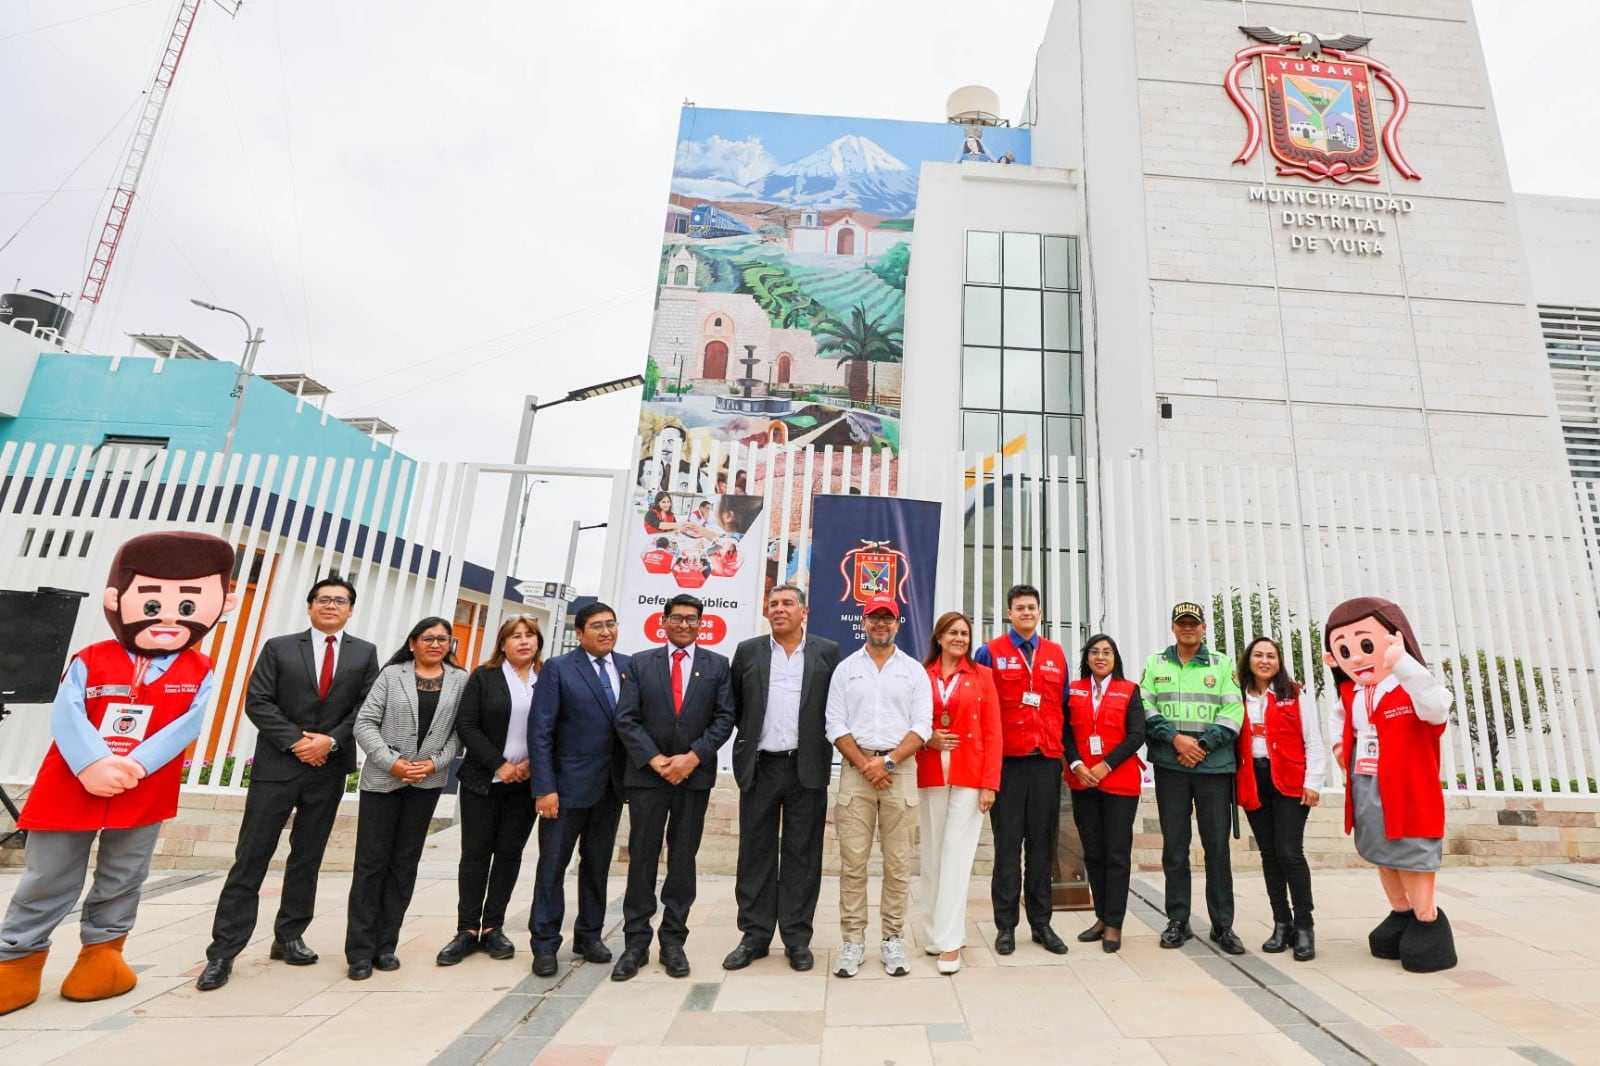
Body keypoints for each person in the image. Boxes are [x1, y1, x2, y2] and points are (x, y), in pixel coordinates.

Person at [0, 532, 236, 1017]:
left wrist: (135, 764)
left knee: (124, 875)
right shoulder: (90, 658)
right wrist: (92, 764)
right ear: (116, 599)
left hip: (143, 786)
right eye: (153, 603)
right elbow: (67, 715)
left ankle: (101, 956)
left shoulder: (200, 667)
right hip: (72, 783)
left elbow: (186, 723)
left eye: (188, 603)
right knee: (49, 875)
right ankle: (15, 959)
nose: (170, 616)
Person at [198, 575, 380, 991]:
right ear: (310, 605)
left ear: (351, 609)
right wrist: (298, 742)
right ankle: (223, 952)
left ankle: (289, 936)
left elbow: (366, 706)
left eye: (340, 600)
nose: (331, 605)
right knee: (252, 857)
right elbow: (258, 700)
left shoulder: (364, 653)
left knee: (307, 857)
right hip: (278, 767)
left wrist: (331, 741)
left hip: (327, 769)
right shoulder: (279, 647)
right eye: (323, 599)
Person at [1324, 597, 1456, 973]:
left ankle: (1427, 919)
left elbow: (1436, 709)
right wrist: (1338, 746)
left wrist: (1404, 664)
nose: (1357, 657)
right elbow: (1339, 718)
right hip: (1367, 783)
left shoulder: (1412, 686)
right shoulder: (1352, 693)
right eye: (1344, 649)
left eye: (1366, 645)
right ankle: (1401, 912)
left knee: (1411, 849)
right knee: (1379, 848)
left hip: (1408, 787)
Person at [610, 594, 736, 981]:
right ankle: (635, 943)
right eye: (677, 618)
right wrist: (656, 760)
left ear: (702, 623)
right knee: (643, 857)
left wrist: (691, 759)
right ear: (663, 622)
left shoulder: (717, 665)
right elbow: (626, 719)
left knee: (683, 859)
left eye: (692, 619)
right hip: (649, 778)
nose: (684, 625)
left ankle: (673, 941)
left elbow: (725, 717)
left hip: (693, 778)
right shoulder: (641, 663)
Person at [723, 584, 842, 973]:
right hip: (761, 766)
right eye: (773, 604)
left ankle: (796, 937)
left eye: (788, 603)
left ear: (803, 611)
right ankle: (754, 936)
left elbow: (835, 708)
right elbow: (737, 707)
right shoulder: (748, 651)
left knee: (802, 855)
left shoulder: (826, 652)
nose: (779, 609)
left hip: (806, 767)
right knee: (755, 852)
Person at [345, 617, 467, 980]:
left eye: (443, 639)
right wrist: (392, 763)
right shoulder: (392, 674)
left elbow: (460, 733)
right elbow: (364, 723)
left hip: (426, 784)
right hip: (383, 782)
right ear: (413, 642)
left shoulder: (461, 681)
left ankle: (386, 946)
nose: (436, 644)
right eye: (428, 638)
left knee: (403, 865)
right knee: (371, 865)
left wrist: (434, 763)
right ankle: (360, 951)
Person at [825, 596, 931, 978]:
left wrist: (886, 763)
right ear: (864, 622)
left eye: (887, 618)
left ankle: (892, 940)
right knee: (853, 864)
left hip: (899, 770)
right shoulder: (846, 670)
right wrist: (866, 765)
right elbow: (834, 724)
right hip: (856, 770)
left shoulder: (914, 671)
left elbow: (923, 726)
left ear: (898, 623)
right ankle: (852, 942)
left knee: (898, 864)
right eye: (874, 618)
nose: (881, 624)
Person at [528, 601, 632, 978]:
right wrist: (544, 788)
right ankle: (544, 943)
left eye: (611, 625)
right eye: (597, 626)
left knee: (597, 865)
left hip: (611, 787)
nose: (606, 632)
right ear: (580, 632)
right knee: (553, 866)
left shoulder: (627, 666)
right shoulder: (558, 669)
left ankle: (589, 935)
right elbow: (540, 732)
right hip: (565, 789)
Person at [436, 615, 544, 966]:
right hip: (486, 780)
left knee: (509, 855)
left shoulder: (548, 678)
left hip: (526, 783)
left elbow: (556, 724)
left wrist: (528, 765)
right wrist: (500, 764)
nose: (523, 641)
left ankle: (493, 927)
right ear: (503, 643)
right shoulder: (484, 676)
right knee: (476, 855)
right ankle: (467, 929)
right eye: (516, 636)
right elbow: (467, 724)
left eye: (530, 635)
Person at [1140, 602, 1247, 955]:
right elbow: (1144, 704)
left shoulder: (1222, 664)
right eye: (1181, 623)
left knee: (1216, 848)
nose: (1188, 628)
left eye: (1194, 623)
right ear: (1173, 627)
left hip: (1212, 766)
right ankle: (1177, 921)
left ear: (1203, 629)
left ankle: (1223, 926)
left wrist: (1201, 744)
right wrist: (1176, 740)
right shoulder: (1157, 662)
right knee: (1175, 847)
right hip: (1171, 766)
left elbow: (1234, 710)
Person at [973, 583, 1071, 956]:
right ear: (1010, 613)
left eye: (1032, 607)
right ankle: (1005, 926)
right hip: (1008, 764)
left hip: (1046, 761)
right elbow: (980, 707)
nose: (1027, 613)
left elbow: (1061, 707)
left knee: (1043, 847)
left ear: (1040, 613)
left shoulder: (1055, 654)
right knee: (1008, 847)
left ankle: (1041, 923)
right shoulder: (990, 653)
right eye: (1020, 608)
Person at [917, 611, 1001, 975]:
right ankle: (936, 932)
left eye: (965, 633)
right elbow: (910, 722)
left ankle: (950, 943)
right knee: (934, 856)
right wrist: (928, 738)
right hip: (930, 772)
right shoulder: (921, 676)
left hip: (970, 774)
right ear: (939, 637)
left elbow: (994, 733)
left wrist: (990, 783)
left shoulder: (982, 676)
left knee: (956, 856)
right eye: (953, 632)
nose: (960, 638)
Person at [1237, 636, 1325, 961]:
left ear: (1279, 661)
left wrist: (1313, 781)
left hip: (1289, 781)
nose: (1264, 661)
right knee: (1269, 854)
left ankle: (1304, 925)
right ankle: (1281, 922)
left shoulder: (1294, 694)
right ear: (1248, 660)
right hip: (1254, 781)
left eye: (1270, 656)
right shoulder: (1238, 697)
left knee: (1290, 852)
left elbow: (1313, 740)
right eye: (1258, 655)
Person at [1063, 634, 1147, 954]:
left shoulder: (1129, 690)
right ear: (1087, 658)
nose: (1100, 657)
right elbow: (1064, 730)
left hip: (1119, 782)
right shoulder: (1073, 690)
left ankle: (1115, 922)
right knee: (1093, 852)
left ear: (1115, 658)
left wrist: (1106, 766)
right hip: (1082, 780)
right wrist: (1077, 763)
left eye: (1107, 652)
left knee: (1116, 853)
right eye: (1094, 652)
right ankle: (1100, 916)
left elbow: (1137, 734)